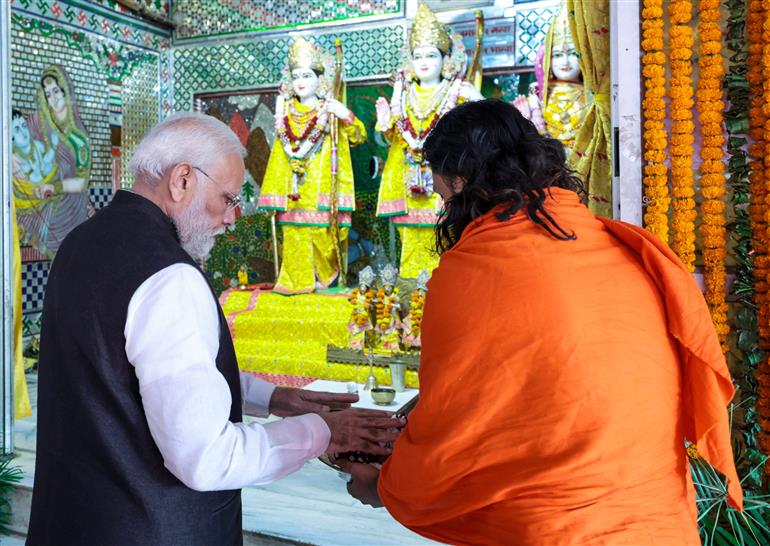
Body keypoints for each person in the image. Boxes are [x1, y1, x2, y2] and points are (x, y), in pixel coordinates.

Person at [341, 100, 742, 545]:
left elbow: (456, 425)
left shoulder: (471, 270)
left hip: (554, 527)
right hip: (658, 518)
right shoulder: (620, 247)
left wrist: (384, 486)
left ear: (459, 179)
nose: (442, 207)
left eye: (441, 195)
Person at [27, 112, 403, 546]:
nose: (232, 218)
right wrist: (324, 432)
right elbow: (206, 459)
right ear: (182, 179)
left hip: (74, 521)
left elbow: (139, 371)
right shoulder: (169, 275)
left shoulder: (80, 242)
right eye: (228, 198)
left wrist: (273, 398)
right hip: (153, 528)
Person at [375, 3, 482, 279]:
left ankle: (446, 285)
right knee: (410, 238)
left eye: (431, 55)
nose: (423, 61)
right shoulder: (402, 94)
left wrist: (478, 102)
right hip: (406, 177)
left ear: (446, 60)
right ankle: (411, 288)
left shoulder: (457, 93)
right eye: (418, 55)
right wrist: (386, 123)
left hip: (444, 176)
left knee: (447, 232)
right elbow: (391, 135)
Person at [257, 37, 366, 294]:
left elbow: (358, 136)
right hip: (292, 191)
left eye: (307, 75)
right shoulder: (284, 113)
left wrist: (345, 116)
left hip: (323, 188)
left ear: (321, 78)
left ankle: (325, 279)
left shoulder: (329, 109)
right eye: (296, 76)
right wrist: (273, 192)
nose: (301, 81)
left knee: (324, 237)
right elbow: (279, 155)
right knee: (293, 236)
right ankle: (295, 282)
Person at [22, 65, 92, 258]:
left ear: (65, 91)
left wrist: (55, 187)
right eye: (47, 94)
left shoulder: (78, 139)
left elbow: (82, 182)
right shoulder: (39, 125)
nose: (52, 98)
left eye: (55, 91)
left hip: (70, 208)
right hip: (39, 200)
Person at [513, 4, 587, 153]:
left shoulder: (594, 94)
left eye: (573, 54)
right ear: (546, 60)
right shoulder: (537, 96)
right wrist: (525, 121)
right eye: (558, 55)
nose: (565, 62)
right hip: (549, 165)